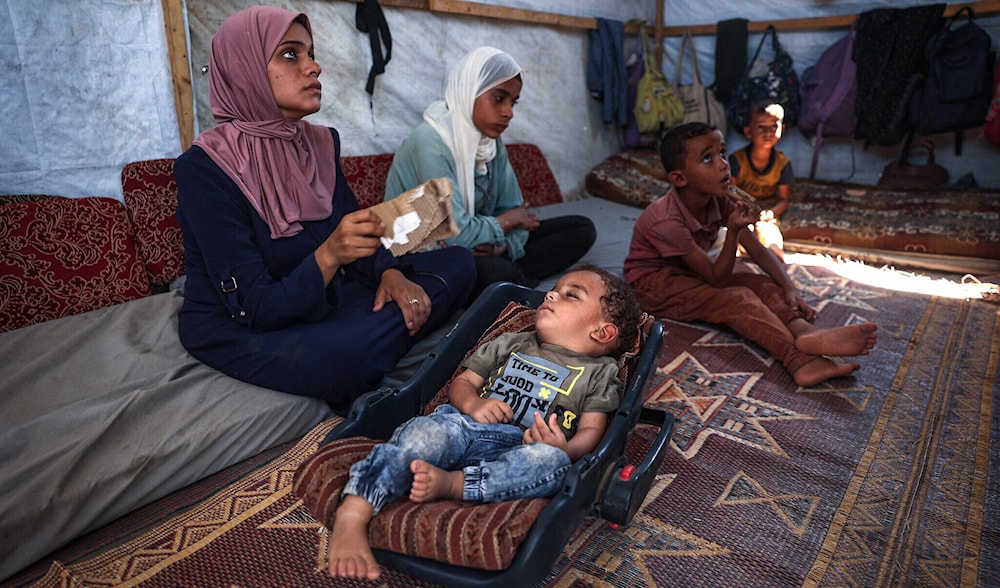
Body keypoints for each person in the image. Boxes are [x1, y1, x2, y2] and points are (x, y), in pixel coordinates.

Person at [173, 6, 475, 414]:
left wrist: (390, 275)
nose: (314, 67)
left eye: (311, 53)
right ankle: (387, 337)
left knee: (460, 261)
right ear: (245, 68)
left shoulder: (319, 144)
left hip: (325, 296)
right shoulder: (205, 168)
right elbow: (255, 307)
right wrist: (330, 254)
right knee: (344, 357)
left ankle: (386, 329)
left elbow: (358, 231)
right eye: (290, 54)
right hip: (240, 323)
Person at [325, 264, 642, 580]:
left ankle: (453, 485)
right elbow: (463, 383)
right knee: (424, 434)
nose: (551, 294)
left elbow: (593, 430)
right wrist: (474, 404)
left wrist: (566, 448)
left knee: (551, 463)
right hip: (463, 429)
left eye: (570, 295)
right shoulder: (513, 342)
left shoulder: (600, 372)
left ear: (602, 332)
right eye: (554, 288)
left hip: (521, 449)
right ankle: (355, 510)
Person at [624, 122, 877, 389]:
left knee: (758, 283)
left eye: (722, 153)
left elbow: (757, 250)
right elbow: (717, 279)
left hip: (691, 270)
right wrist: (732, 232)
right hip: (653, 285)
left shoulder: (719, 199)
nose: (723, 164)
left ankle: (803, 331)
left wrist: (789, 288)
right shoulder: (666, 220)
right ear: (679, 178)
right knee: (735, 299)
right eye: (707, 158)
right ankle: (800, 360)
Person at [384, 46, 596, 301]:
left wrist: (502, 245)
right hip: (426, 250)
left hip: (485, 246)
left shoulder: (491, 143)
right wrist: (506, 222)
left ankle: (508, 281)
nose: (509, 112)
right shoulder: (430, 142)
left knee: (581, 229)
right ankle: (510, 280)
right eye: (499, 98)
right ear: (469, 92)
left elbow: (518, 210)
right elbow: (457, 235)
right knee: (493, 271)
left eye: (513, 102)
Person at [727, 102, 792, 260]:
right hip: (740, 210)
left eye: (773, 127)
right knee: (732, 239)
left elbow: (784, 200)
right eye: (761, 127)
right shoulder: (737, 159)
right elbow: (730, 192)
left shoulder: (783, 164)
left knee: (772, 246)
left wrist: (770, 213)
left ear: (781, 129)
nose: (768, 133)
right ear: (748, 131)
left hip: (765, 214)